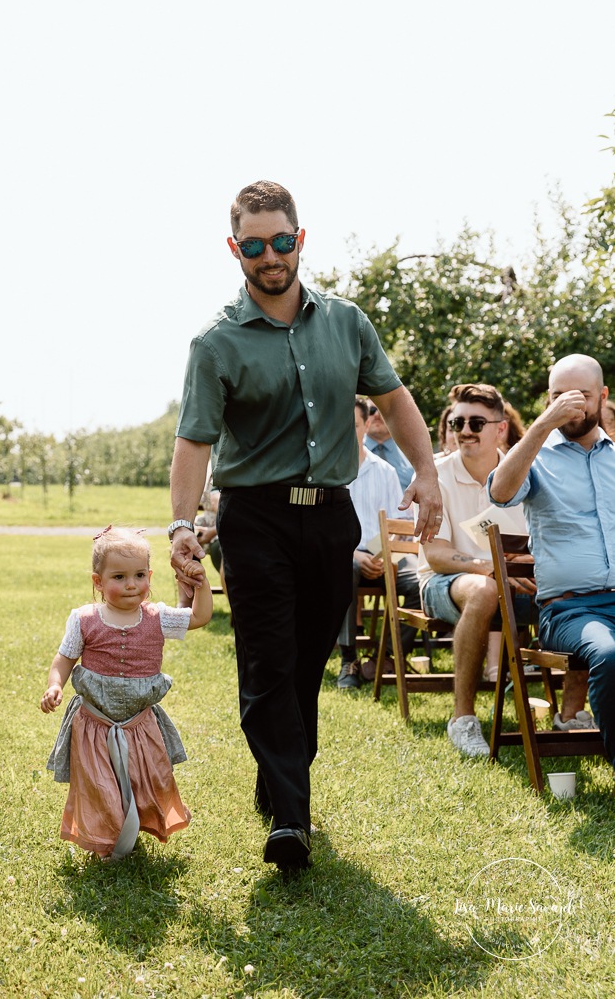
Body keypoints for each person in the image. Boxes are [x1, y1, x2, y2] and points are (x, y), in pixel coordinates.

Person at [169, 180, 441, 872]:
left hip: (329, 517)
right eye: (254, 245)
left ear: (300, 239)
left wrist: (428, 473)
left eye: (280, 242)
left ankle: (277, 780)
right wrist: (180, 523)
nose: (269, 257)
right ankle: (292, 818)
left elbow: (394, 396)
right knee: (266, 660)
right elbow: (194, 440)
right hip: (253, 518)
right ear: (235, 249)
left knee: (303, 666)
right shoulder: (216, 343)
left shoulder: (346, 323)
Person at [42, 526, 212, 861]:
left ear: (149, 575)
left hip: (138, 724)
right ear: (98, 581)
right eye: (119, 577)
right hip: (95, 723)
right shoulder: (84, 619)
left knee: (143, 781)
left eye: (138, 575)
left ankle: (132, 827)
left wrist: (202, 584)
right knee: (100, 785)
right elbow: (65, 658)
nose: (131, 584)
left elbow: (199, 617)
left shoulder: (158, 618)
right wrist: (55, 685)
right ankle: (105, 844)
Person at [489, 354, 615, 760]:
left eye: (580, 396)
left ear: (603, 396)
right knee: (611, 655)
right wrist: (543, 426)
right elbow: (499, 493)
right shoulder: (535, 457)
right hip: (571, 612)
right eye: (559, 397)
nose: (570, 406)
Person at [417, 383, 533, 757]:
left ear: (500, 428)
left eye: (476, 422)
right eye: (457, 422)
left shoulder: (525, 471)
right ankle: (463, 719)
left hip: (517, 580)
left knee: (583, 586)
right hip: (443, 583)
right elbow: (436, 556)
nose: (464, 430)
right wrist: (492, 569)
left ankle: (572, 715)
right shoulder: (435, 473)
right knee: (484, 591)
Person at [337, 397, 422, 689]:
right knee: (344, 568)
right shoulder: (325, 472)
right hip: (344, 554)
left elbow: (402, 524)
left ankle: (384, 657)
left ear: (367, 424)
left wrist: (384, 554)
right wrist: (354, 555)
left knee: (421, 583)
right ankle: (348, 658)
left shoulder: (385, 471)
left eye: (354, 425)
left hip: (384, 553)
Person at [364, 403, 416, 491]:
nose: (377, 415)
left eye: (383, 410)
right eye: (371, 410)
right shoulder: (350, 454)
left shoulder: (414, 452)